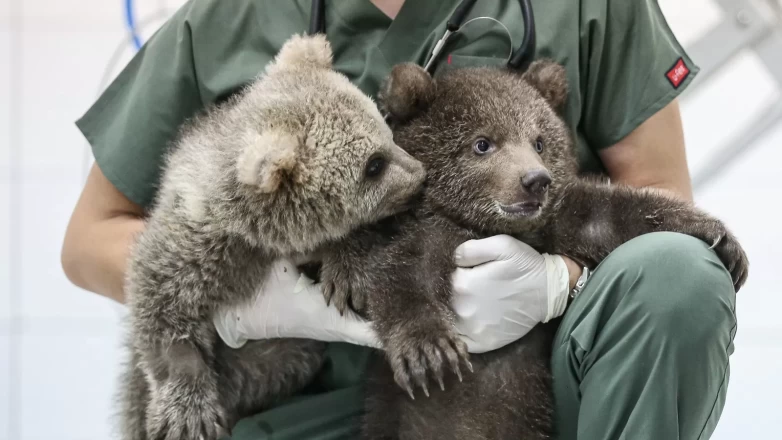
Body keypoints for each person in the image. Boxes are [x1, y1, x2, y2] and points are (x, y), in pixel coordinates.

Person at [61, 1, 738, 439]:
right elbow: (91, 237)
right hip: (297, 409)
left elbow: (655, 196)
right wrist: (259, 299)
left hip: (530, 387)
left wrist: (559, 281)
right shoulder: (230, 18)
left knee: (676, 274)